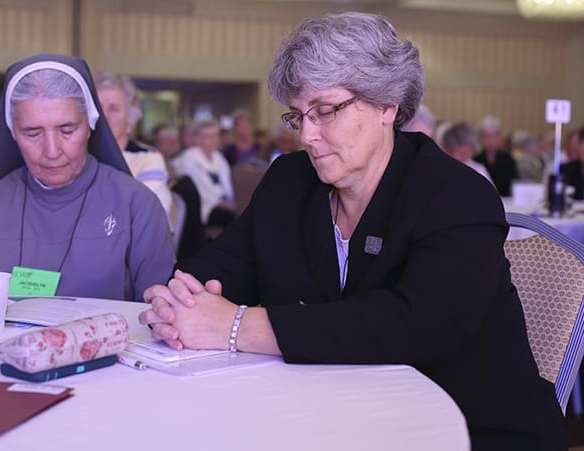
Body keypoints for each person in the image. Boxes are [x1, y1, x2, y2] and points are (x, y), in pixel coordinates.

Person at [139, 12, 565, 451]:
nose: (307, 135)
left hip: (467, 427)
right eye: (298, 116)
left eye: (325, 111)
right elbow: (217, 265)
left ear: (387, 105)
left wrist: (236, 326)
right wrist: (181, 305)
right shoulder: (289, 182)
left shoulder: (456, 194)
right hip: (334, 420)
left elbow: (411, 326)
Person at [0, 54, 175, 301]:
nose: (52, 151)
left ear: (90, 125)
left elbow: (158, 316)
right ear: (13, 133)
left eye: (67, 130)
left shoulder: (137, 206)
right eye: (32, 132)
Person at [94, 72, 173, 219]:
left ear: (130, 118)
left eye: (113, 109)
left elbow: (151, 217)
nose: (103, 116)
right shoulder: (77, 156)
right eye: (97, 107)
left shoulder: (147, 158)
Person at [172, 119, 237, 228]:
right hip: (203, 208)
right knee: (233, 219)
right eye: (208, 136)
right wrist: (221, 203)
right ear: (198, 139)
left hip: (223, 204)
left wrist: (230, 201)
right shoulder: (190, 157)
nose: (213, 140)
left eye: (215, 136)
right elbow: (198, 190)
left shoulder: (219, 158)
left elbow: (227, 185)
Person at [474, 115, 518, 197]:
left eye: (494, 136)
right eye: (486, 136)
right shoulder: (475, 160)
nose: (491, 140)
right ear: (481, 138)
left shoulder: (508, 160)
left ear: (500, 137)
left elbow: (514, 186)